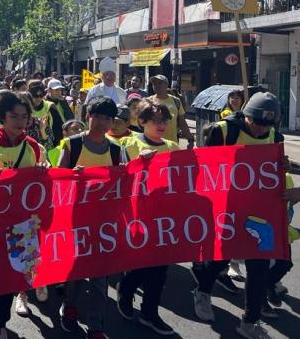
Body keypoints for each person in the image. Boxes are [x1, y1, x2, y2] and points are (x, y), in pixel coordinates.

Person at [190, 92, 286, 339]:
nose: (260, 129)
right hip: (226, 208)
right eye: (256, 122)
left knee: (259, 266)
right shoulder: (222, 131)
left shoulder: (275, 137)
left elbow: (275, 172)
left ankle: (250, 321)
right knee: (222, 257)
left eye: (266, 124)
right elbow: (203, 166)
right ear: (246, 116)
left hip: (259, 212)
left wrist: (281, 165)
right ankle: (203, 290)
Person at [0, 91, 48, 336]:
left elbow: (45, 187)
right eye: (13, 116)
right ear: (1, 117)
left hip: (23, 228)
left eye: (24, 117)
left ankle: (0, 323)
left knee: (16, 276)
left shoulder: (35, 148)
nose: (19, 121)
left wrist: (44, 171)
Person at [56, 97, 123, 339]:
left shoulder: (116, 150)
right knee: (74, 270)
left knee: (99, 276)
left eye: (108, 118)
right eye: (99, 116)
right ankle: (69, 307)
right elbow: (58, 180)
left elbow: (122, 182)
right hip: (73, 220)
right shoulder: (72, 145)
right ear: (88, 117)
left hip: (103, 223)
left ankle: (96, 325)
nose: (103, 122)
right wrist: (71, 176)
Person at [117, 101, 179, 335]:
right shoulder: (128, 143)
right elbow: (120, 177)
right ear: (142, 122)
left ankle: (149, 312)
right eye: (156, 120)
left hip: (164, 217)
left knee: (160, 269)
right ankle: (126, 291)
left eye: (164, 120)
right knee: (139, 265)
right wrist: (138, 163)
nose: (161, 125)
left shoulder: (172, 146)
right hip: (137, 216)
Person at [146, 75, 194, 148]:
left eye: (159, 83)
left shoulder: (176, 101)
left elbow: (182, 123)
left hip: (172, 144)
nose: (156, 85)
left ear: (166, 85)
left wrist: (190, 139)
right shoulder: (148, 101)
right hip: (152, 145)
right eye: (154, 84)